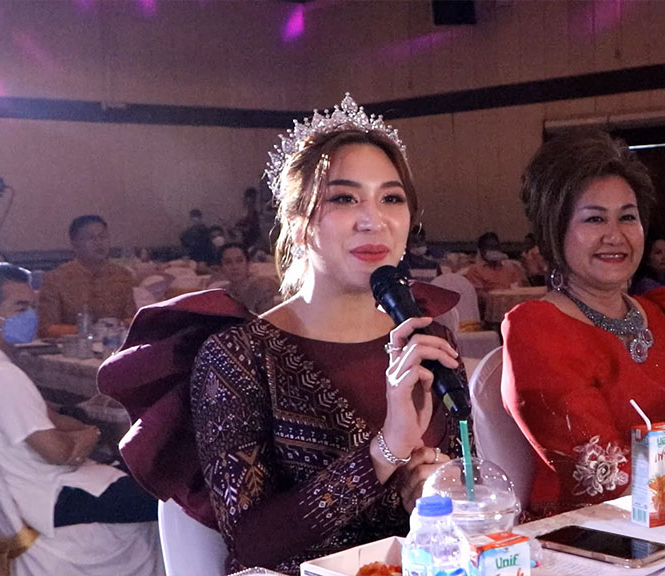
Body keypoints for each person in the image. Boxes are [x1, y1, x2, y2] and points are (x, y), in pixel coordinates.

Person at [188, 95, 468, 574]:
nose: (373, 219)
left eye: (391, 198)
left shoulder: (428, 338)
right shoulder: (238, 356)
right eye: (344, 198)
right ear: (297, 224)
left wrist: (437, 490)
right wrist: (384, 452)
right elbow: (251, 545)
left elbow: (468, 484)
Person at [502, 130, 665, 519]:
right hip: (590, 535)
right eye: (595, 218)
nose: (615, 236)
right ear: (555, 230)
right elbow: (605, 476)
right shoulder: (537, 329)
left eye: (627, 217)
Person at [0, 262, 160, 575]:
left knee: (141, 471)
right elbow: (59, 453)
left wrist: (79, 430)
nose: (31, 316)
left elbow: (48, 415)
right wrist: (92, 434)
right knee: (168, 495)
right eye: (20, 308)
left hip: (25, 493)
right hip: (49, 496)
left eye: (32, 306)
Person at [38, 215, 137, 337]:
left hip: (114, 342)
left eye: (103, 237)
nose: (99, 243)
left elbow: (132, 319)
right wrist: (89, 330)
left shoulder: (121, 275)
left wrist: (117, 326)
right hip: (72, 344)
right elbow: (46, 328)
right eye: (91, 238)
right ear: (75, 244)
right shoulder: (56, 279)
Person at [216, 242, 281, 314]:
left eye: (239, 261)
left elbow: (267, 318)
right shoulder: (220, 294)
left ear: (248, 264)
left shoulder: (262, 289)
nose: (234, 267)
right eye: (228, 262)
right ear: (221, 268)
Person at [463, 232, 527, 292]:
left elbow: (518, 290)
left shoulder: (511, 269)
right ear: (481, 249)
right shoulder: (475, 270)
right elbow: (479, 295)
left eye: (496, 247)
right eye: (489, 247)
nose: (493, 250)